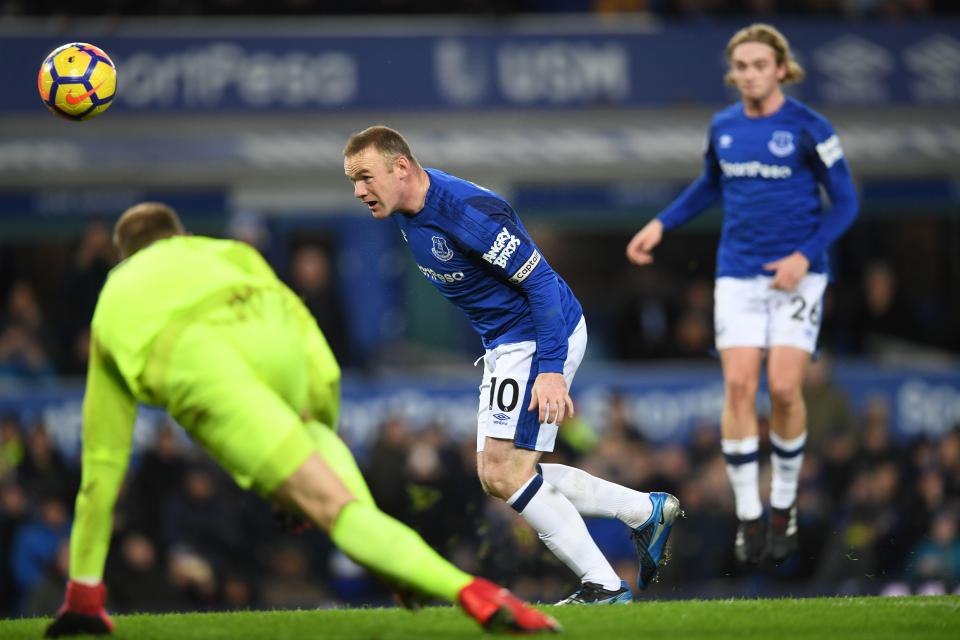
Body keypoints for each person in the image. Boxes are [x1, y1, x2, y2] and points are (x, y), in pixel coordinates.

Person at [44, 202, 558, 637]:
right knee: (350, 511)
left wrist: (85, 589)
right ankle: (393, 558)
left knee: (330, 508)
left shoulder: (115, 293)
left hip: (200, 363)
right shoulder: (228, 252)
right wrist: (321, 413)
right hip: (281, 350)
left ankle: (474, 593)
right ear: (180, 237)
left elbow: (103, 464)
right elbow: (305, 331)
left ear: (126, 253)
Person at [343, 126, 681, 605]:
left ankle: (605, 583)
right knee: (497, 474)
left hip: (539, 334)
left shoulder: (465, 214)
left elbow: (541, 282)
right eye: (351, 181)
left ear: (401, 167)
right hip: (508, 342)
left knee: (506, 474)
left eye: (364, 177)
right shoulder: (405, 203)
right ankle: (642, 512)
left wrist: (549, 369)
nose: (358, 191)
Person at [626, 23, 858, 565]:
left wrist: (804, 255)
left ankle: (783, 505)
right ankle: (749, 516)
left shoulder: (809, 127)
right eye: (742, 66)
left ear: (781, 68)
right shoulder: (723, 127)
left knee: (781, 389)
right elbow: (711, 183)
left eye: (760, 64)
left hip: (799, 275)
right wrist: (662, 223)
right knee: (736, 387)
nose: (750, 74)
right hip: (737, 274)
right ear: (733, 74)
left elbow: (845, 203)